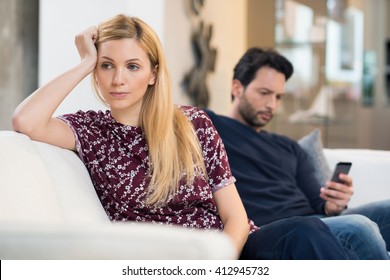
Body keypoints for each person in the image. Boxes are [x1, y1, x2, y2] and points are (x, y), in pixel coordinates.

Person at [12, 14, 356, 260]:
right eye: (106, 65)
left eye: (132, 66)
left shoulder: (191, 123)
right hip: (169, 259)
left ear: (152, 73)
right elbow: (26, 120)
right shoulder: (91, 131)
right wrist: (84, 62)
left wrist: (220, 264)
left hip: (230, 251)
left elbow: (235, 217)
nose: (118, 79)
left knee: (304, 231)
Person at [204, 47, 390, 259]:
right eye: (264, 93)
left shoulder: (289, 146)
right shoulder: (210, 127)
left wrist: (333, 203)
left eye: (279, 97)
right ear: (237, 88)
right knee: (359, 226)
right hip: (270, 230)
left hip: (318, 222)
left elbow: (319, 202)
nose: (272, 105)